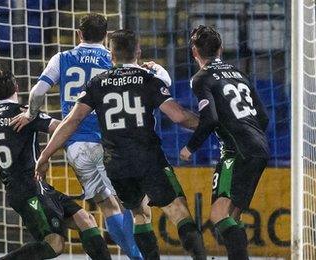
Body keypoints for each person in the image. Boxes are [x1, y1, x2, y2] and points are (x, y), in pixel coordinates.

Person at [35, 29, 207, 260]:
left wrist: (45, 155)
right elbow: (179, 117)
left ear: (112, 54)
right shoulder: (148, 80)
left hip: (116, 164)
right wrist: (210, 124)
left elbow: (71, 121)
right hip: (148, 158)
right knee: (178, 211)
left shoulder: (96, 84)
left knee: (138, 214)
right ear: (138, 50)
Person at [9, 13, 141, 258]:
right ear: (106, 36)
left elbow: (38, 92)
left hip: (77, 143)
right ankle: (137, 256)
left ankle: (136, 256)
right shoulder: (111, 59)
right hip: (111, 140)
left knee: (107, 205)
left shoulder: (62, 58)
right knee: (127, 205)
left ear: (79, 34)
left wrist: (31, 113)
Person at [0, 70, 112, 260]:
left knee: (86, 220)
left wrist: (3, 155)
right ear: (16, 87)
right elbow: (60, 127)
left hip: (29, 188)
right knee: (55, 244)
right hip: (29, 189)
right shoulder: (23, 113)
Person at [180, 25, 269, 259]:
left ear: (194, 52)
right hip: (260, 148)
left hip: (236, 152)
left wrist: (190, 147)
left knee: (219, 215)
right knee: (233, 216)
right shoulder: (239, 73)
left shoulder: (200, 78)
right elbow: (264, 117)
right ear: (221, 49)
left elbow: (210, 119)